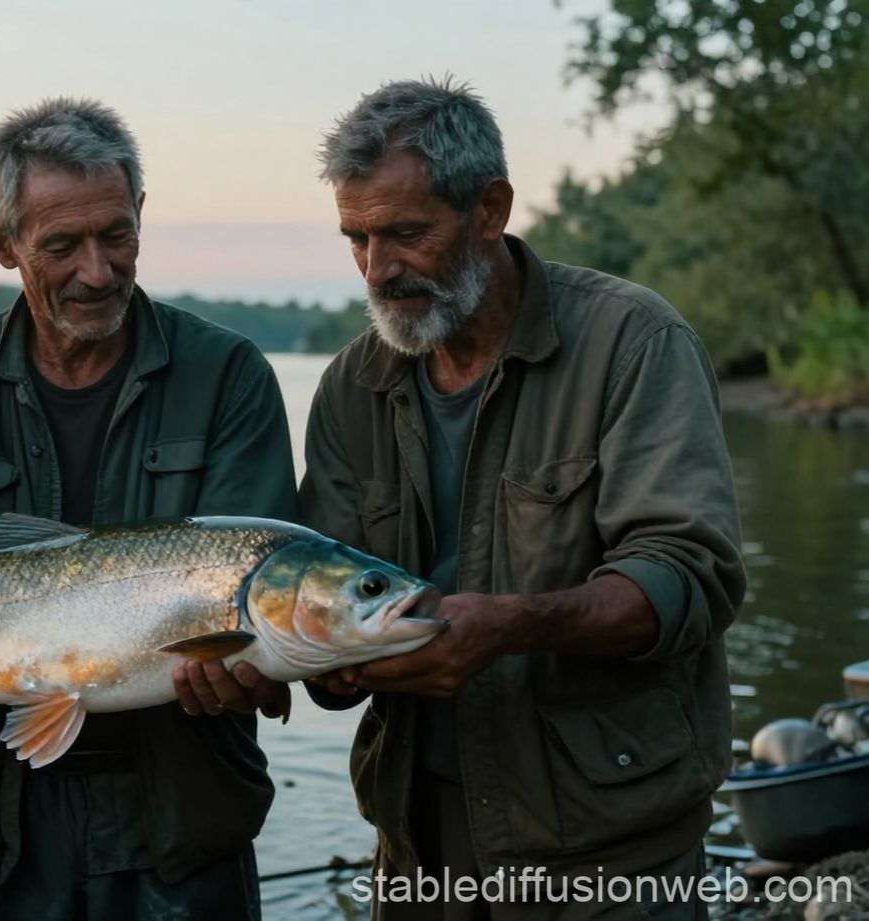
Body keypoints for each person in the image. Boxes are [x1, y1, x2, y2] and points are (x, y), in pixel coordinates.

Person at [299, 77, 746, 919]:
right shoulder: (347, 386)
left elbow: (688, 577)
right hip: (415, 841)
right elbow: (318, 605)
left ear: (490, 209)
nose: (376, 269)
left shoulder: (633, 342)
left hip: (611, 851)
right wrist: (306, 659)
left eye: (405, 233)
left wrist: (511, 623)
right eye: (354, 237)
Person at [0, 97, 299, 920]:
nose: (97, 271)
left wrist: (252, 671)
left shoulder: (229, 374)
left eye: (117, 236)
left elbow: (262, 596)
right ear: (2, 245)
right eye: (61, 245)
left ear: (141, 214)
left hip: (186, 818)